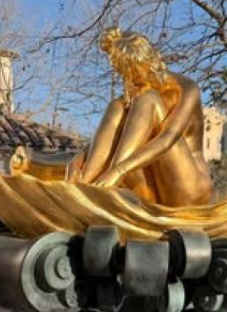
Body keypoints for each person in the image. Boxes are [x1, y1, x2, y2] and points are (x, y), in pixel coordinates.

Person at [65, 27, 213, 207]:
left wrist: (118, 171)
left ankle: (109, 185)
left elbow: (168, 138)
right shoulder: (136, 92)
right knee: (117, 106)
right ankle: (84, 185)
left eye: (134, 73)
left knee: (147, 98)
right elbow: (111, 137)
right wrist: (76, 162)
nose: (131, 80)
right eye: (126, 75)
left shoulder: (186, 88)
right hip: (156, 187)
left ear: (148, 61)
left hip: (190, 188)